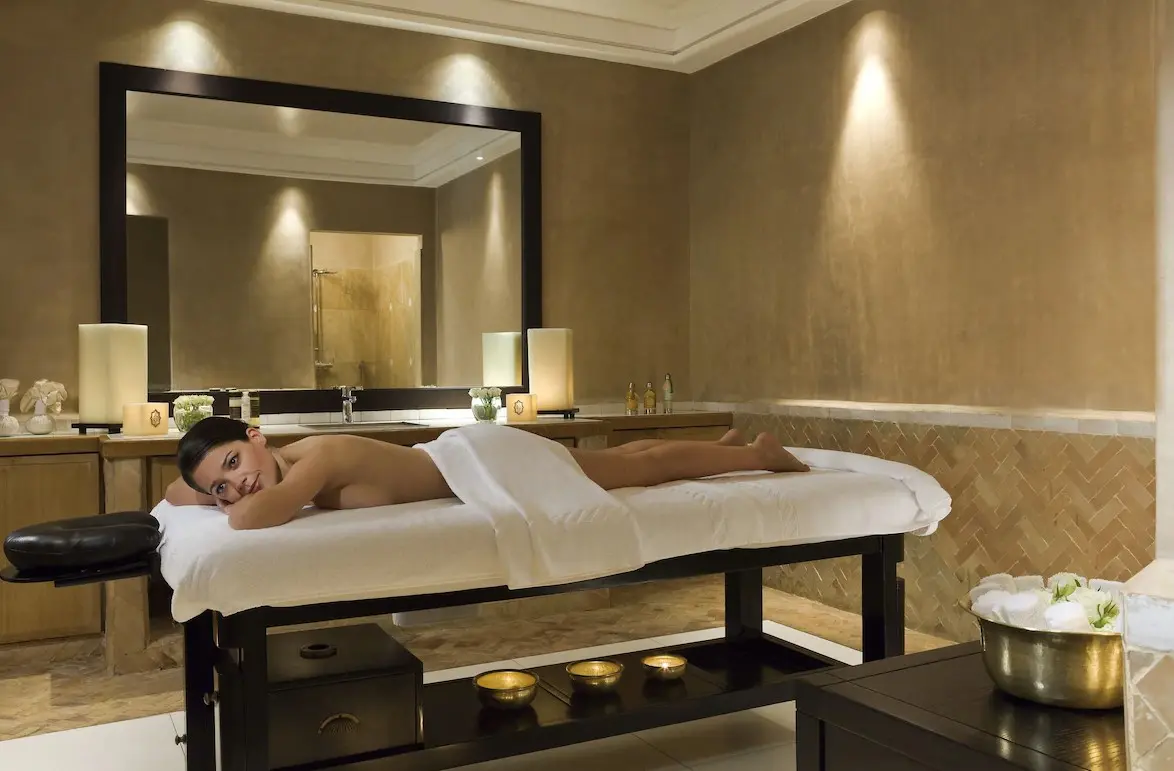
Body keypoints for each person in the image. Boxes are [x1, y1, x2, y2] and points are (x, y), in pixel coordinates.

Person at [166, 417, 809, 531]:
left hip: (483, 463)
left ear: (258, 436)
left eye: (234, 463)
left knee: (633, 471)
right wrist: (203, 489)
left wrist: (225, 504)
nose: (236, 487)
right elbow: (178, 491)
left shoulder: (315, 459)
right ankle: (726, 445)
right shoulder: (282, 466)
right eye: (218, 486)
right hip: (466, 459)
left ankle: (758, 457)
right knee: (628, 464)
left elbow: (252, 519)